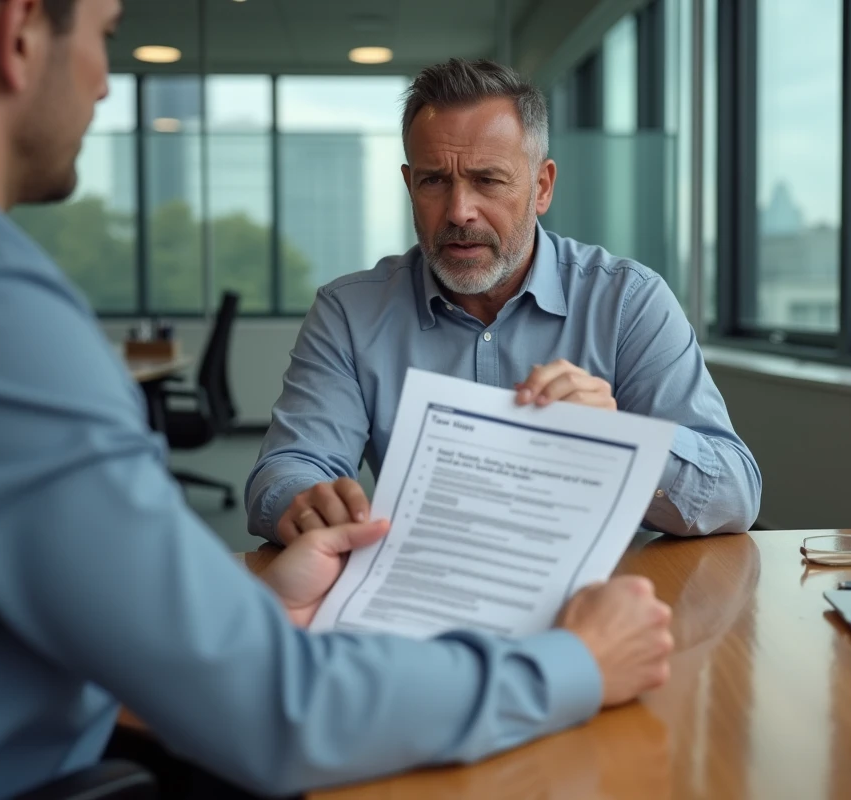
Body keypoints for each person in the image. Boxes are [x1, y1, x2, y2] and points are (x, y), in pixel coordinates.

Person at [0, 2, 676, 799]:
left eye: (486, 180)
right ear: (19, 33)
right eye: (108, 37)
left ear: (541, 186)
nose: (107, 86)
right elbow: (276, 708)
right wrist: (576, 664)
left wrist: (253, 604)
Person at [247, 59, 762, 547]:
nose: (460, 211)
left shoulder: (627, 300)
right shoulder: (349, 313)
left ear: (541, 187)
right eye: (434, 181)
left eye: (487, 180)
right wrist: (308, 503)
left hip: (596, 605)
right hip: (426, 596)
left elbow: (735, 494)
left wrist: (624, 440)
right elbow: (286, 470)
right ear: (409, 186)